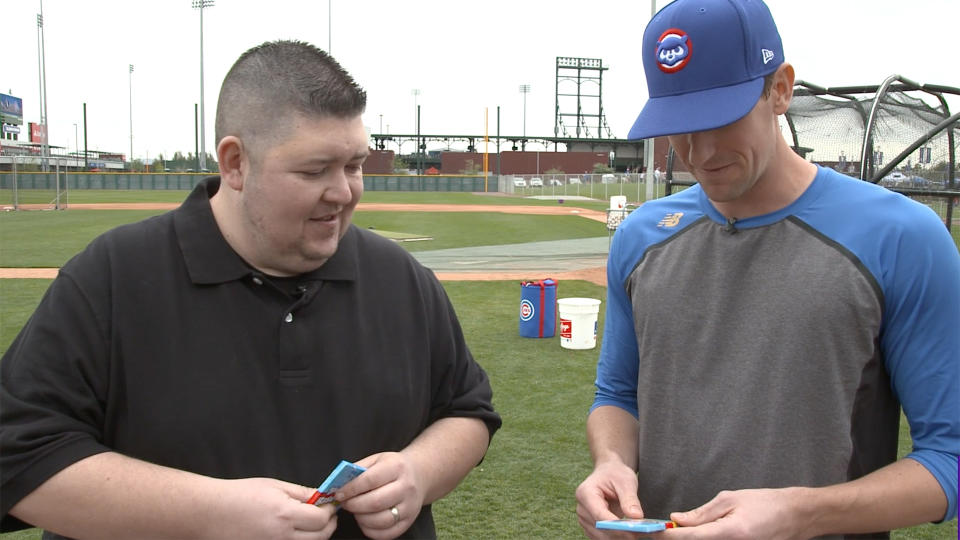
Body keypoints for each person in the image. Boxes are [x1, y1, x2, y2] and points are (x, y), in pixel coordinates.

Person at [1, 40, 501, 540]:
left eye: (354, 165)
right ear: (235, 163)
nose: (345, 192)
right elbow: (18, 457)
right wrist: (211, 513)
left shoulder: (400, 278)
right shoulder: (111, 278)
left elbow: (467, 411)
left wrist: (419, 472)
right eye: (314, 170)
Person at [575, 1, 959, 538]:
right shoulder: (640, 237)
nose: (700, 151)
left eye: (722, 118)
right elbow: (617, 395)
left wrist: (799, 514)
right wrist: (612, 462)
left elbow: (950, 460)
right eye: (680, 126)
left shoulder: (902, 236)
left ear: (779, 88)